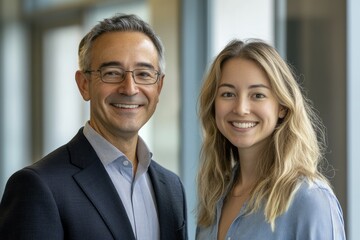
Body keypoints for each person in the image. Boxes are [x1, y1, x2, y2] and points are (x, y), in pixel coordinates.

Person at [0, 14, 187, 240]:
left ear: (159, 87)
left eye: (144, 74)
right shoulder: (38, 187)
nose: (129, 88)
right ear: (84, 85)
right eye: (112, 73)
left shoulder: (172, 188)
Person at [195, 39, 346, 240]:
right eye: (228, 94)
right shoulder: (214, 198)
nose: (240, 108)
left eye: (257, 95)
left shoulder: (309, 199)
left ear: (282, 106)